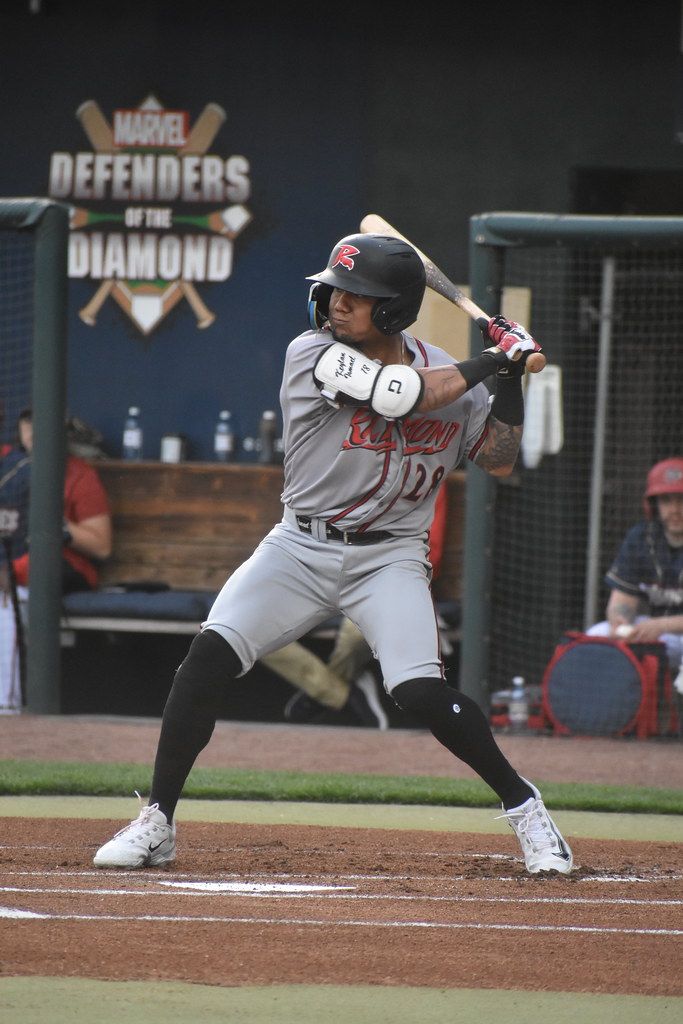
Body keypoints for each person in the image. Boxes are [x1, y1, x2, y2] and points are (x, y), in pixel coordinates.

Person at [93, 231, 573, 876]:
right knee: (206, 659)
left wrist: (511, 377)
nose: (336, 302)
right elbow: (397, 395)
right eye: (336, 289)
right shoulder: (312, 353)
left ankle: (528, 812)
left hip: (391, 556)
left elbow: (499, 457)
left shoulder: (452, 375)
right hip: (299, 545)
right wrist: (491, 359)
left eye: (358, 295)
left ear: (396, 310)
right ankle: (156, 823)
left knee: (420, 693)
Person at [267, 484, 450, 729]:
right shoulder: (344, 463)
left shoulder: (429, 470)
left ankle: (325, 694)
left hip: (384, 580)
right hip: (317, 575)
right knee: (261, 627)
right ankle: (343, 695)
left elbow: (432, 554)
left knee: (356, 635)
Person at [0, 409, 112, 712]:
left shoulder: (78, 473)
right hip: (15, 570)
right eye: (27, 425)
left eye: (41, 426)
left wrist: (59, 526)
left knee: (9, 600)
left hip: (67, 569)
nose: (33, 432)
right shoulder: (10, 468)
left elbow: (102, 546)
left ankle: (5, 706)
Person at [586, 457, 683, 693]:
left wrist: (661, 625)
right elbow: (621, 602)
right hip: (658, 635)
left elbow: (659, 626)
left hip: (668, 630)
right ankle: (604, 718)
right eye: (666, 500)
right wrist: (620, 623)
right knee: (595, 636)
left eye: (681, 499)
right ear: (654, 504)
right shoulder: (641, 538)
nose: (675, 509)